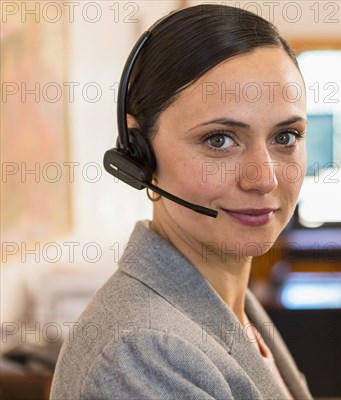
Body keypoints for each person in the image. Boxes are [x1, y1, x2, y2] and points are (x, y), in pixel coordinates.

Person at [50, 4, 312, 399]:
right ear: (139, 152)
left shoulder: (234, 310)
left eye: (285, 137)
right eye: (219, 139)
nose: (264, 178)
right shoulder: (140, 353)